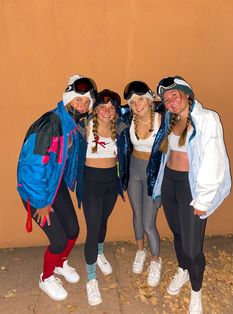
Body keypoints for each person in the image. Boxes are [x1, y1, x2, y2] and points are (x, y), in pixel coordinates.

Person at [152, 76, 231, 313]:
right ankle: (182, 270)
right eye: (166, 99)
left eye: (174, 95)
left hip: (191, 188)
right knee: (177, 233)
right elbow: (163, 155)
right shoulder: (169, 119)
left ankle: (196, 293)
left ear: (186, 94)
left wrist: (204, 199)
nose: (171, 102)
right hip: (170, 183)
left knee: (193, 247)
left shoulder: (207, 119)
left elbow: (214, 160)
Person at [16, 74, 97, 301]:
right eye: (78, 100)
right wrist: (41, 203)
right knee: (59, 240)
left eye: (86, 102)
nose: (82, 106)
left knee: (73, 230)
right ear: (68, 98)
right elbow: (31, 168)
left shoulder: (72, 124)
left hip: (54, 184)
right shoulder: (49, 124)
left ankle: (60, 264)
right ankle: (46, 277)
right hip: (35, 192)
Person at [76, 89, 129, 306]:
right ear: (95, 109)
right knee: (93, 226)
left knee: (103, 221)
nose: (106, 111)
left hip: (111, 183)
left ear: (116, 112)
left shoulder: (121, 128)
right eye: (102, 107)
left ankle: (99, 253)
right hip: (91, 183)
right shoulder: (84, 126)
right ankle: (91, 280)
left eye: (111, 108)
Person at [123, 81, 163, 287]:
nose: (137, 104)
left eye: (140, 99)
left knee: (149, 222)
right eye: (132, 102)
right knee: (137, 214)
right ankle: (140, 251)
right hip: (133, 171)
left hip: (153, 174)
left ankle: (156, 261)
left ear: (149, 99)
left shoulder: (161, 120)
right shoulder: (128, 119)